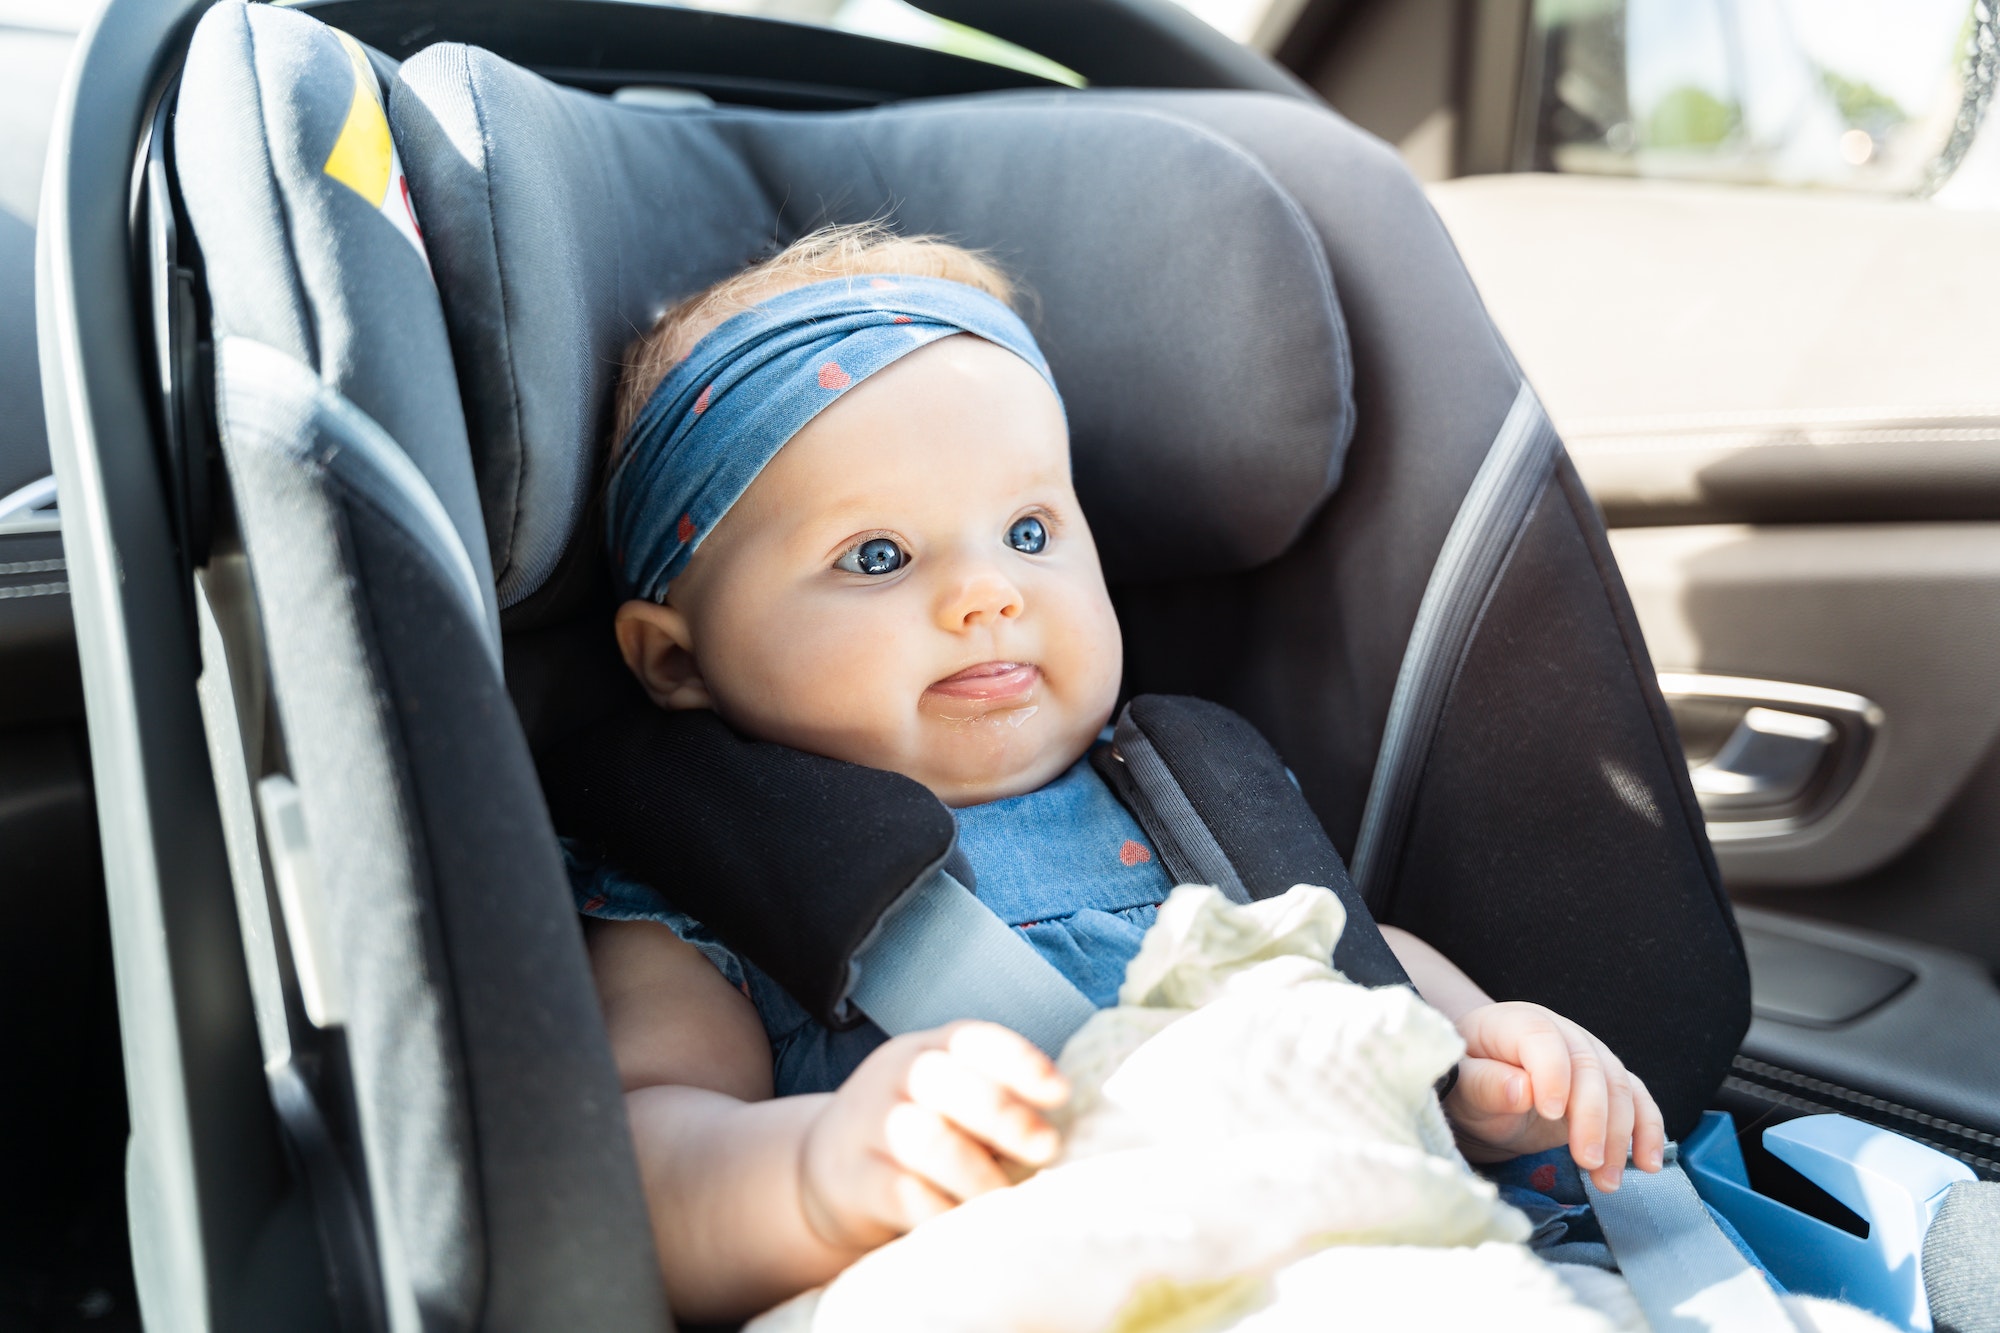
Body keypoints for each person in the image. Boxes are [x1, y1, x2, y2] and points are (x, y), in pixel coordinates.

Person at [573, 224, 1665, 1322]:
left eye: (1030, 530)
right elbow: (645, 1149)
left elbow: (1340, 950)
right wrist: (811, 1175)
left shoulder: (1186, 789)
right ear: (675, 657)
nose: (988, 592)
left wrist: (1476, 1053)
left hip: (1342, 1244)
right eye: (877, 556)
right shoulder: (705, 889)